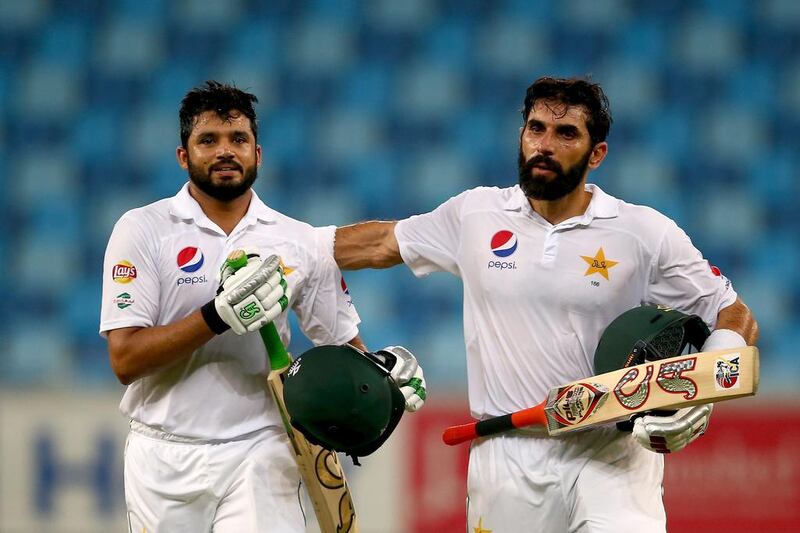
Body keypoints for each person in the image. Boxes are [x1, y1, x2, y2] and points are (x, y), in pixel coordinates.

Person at [332, 76, 758, 532]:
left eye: (566, 133)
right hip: (506, 456)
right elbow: (379, 244)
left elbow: (735, 316)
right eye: (536, 129)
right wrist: (286, 251)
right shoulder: (475, 215)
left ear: (597, 154)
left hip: (612, 456)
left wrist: (699, 391)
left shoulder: (644, 233)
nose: (545, 145)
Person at [99, 81, 426, 533]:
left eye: (238, 139)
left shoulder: (298, 241)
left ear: (258, 153)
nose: (225, 151)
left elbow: (344, 348)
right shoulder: (142, 230)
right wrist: (215, 317)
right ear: (182, 155)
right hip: (162, 455)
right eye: (208, 140)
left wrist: (384, 381)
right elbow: (125, 359)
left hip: (262, 449)